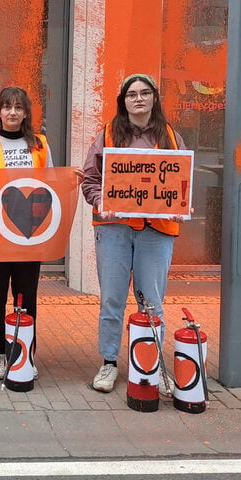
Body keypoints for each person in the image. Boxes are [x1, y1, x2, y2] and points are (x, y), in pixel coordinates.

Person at [81, 73, 186, 395]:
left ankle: (149, 364)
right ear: (123, 101)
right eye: (131, 94)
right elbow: (89, 180)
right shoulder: (108, 135)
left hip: (157, 231)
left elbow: (183, 181)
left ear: (154, 98)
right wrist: (102, 202)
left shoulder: (171, 137)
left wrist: (182, 204)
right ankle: (109, 363)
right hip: (115, 229)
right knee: (112, 299)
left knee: (151, 302)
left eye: (144, 93)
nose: (138, 99)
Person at [0, 87, 52, 381]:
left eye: (18, 107)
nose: (12, 112)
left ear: (26, 112)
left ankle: (24, 349)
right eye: (7, 107)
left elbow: (50, 184)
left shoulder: (40, 145)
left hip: (30, 233)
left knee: (26, 294)